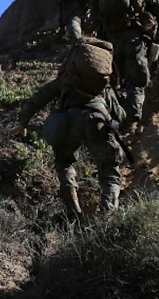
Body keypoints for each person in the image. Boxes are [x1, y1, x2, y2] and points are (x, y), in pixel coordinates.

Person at [11, 38, 127, 218]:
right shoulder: (104, 86)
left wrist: (23, 123)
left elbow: (39, 98)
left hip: (70, 121)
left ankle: (73, 208)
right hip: (98, 122)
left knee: (64, 162)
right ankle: (107, 215)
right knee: (110, 173)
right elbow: (120, 116)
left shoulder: (66, 80)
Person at [89, 0, 159, 134]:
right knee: (136, 82)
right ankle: (133, 122)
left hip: (110, 43)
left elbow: (92, 23)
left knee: (114, 84)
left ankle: (114, 120)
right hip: (134, 41)